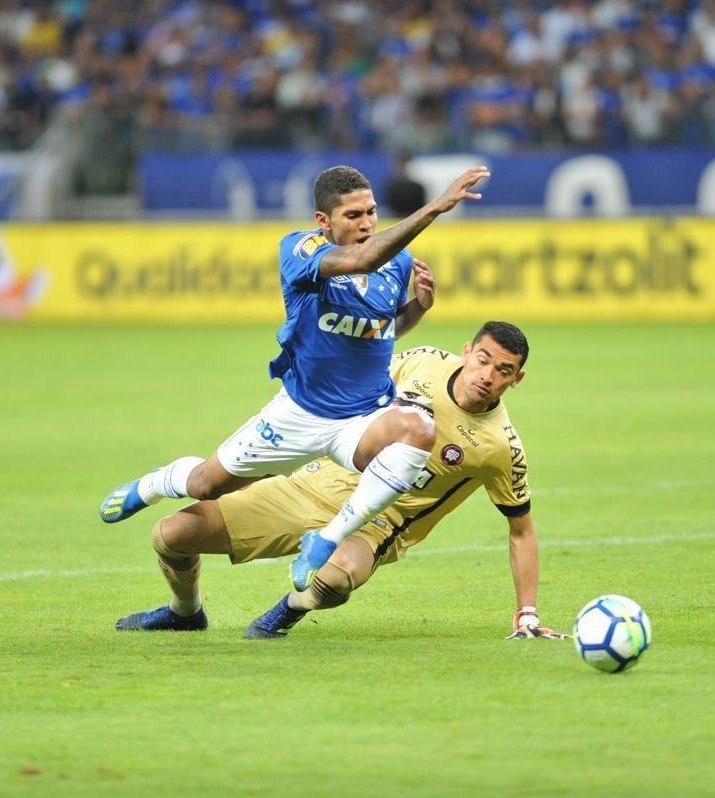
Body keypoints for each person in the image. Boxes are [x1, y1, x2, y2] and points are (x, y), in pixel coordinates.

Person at [100, 163, 491, 594]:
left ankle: (325, 539)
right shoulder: (300, 249)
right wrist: (436, 207)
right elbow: (362, 258)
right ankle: (156, 482)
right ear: (323, 222)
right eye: (353, 216)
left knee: (419, 430)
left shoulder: (396, 265)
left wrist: (418, 308)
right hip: (298, 414)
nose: (366, 223)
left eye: (371, 213)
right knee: (205, 485)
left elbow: (381, 330)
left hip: (362, 417)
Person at [114, 321, 566, 641]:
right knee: (171, 535)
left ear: (517, 379)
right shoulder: (423, 362)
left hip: (377, 524)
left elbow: (521, 530)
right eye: (484, 360)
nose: (488, 376)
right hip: (313, 484)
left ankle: (286, 612)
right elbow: (353, 397)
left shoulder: (499, 447)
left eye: (503, 371)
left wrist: (526, 612)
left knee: (336, 579)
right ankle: (185, 613)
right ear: (467, 351)